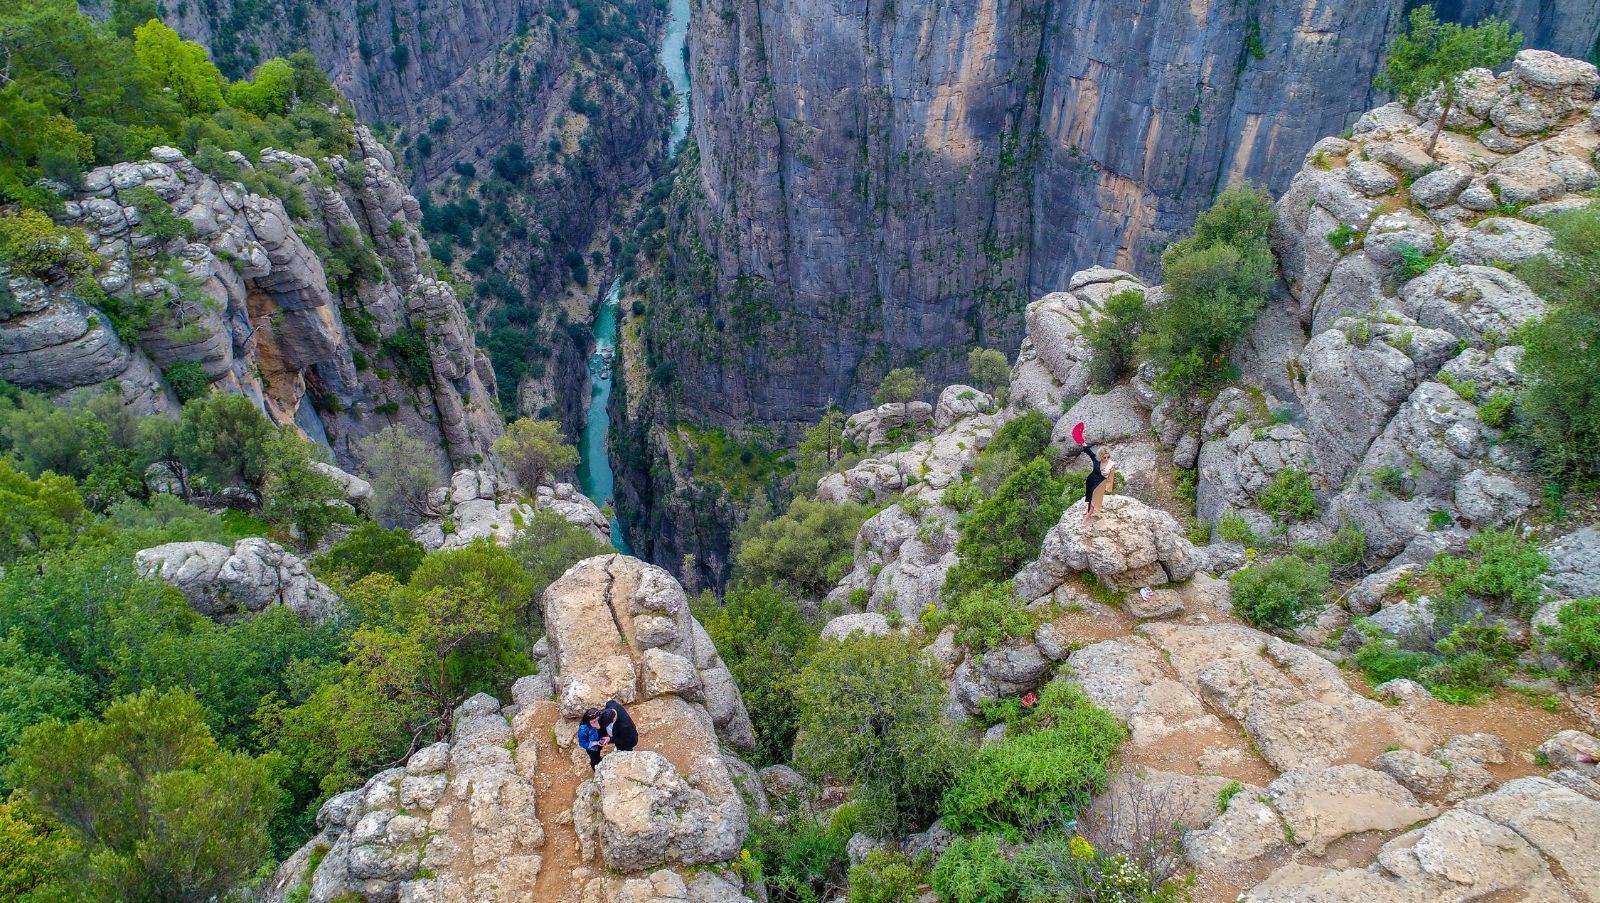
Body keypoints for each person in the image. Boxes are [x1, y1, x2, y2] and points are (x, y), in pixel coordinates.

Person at [578, 700, 638, 769]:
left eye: (597, 721)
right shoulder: (583, 729)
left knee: (625, 753)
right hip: (593, 747)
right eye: (594, 722)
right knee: (595, 760)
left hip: (627, 740)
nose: (598, 726)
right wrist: (596, 743)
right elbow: (582, 742)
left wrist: (610, 739)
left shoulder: (625, 726)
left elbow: (627, 740)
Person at [1077, 444, 1115, 525]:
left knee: (1095, 501)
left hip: (1100, 483)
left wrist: (1107, 487)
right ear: (1100, 456)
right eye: (1104, 457)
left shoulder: (1111, 464)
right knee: (1090, 497)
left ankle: (1086, 518)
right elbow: (1089, 452)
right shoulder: (1096, 460)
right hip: (1091, 480)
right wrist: (1083, 444)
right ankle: (1087, 510)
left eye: (1108, 457)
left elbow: (1111, 477)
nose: (1106, 459)